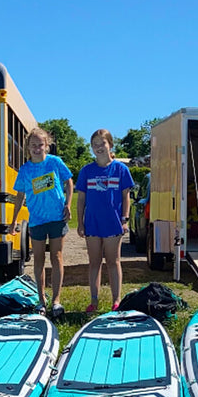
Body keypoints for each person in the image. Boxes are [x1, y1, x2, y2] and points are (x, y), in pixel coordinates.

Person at [7, 128, 75, 316]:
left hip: (57, 218)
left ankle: (56, 300)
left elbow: (69, 182)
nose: (37, 148)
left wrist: (68, 204)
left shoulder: (55, 162)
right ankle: (41, 300)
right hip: (36, 220)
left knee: (56, 256)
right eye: (33, 145)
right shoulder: (25, 169)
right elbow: (19, 195)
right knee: (38, 259)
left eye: (40, 145)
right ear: (28, 147)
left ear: (47, 146)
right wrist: (13, 221)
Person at [75, 128, 135, 314]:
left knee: (113, 261)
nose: (99, 147)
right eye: (95, 144)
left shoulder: (121, 169)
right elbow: (81, 199)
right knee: (94, 262)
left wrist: (124, 219)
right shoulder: (86, 171)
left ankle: (116, 300)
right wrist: (80, 223)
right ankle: (94, 301)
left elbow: (126, 197)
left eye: (102, 143)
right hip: (92, 223)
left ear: (110, 145)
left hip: (113, 222)